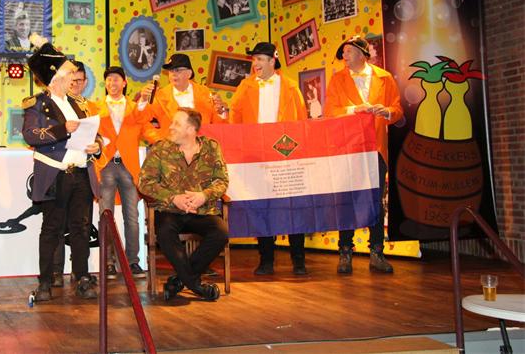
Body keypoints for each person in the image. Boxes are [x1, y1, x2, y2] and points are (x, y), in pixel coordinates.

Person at [22, 35, 102, 302]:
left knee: (81, 229)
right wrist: (61, 129)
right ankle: (45, 282)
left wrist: (97, 146)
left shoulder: (78, 104)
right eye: (68, 74)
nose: (73, 79)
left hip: (80, 173)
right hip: (55, 174)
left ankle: (82, 277)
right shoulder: (37, 103)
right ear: (54, 77)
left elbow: (95, 135)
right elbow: (30, 135)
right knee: (52, 229)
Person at [224, 42, 310, 276]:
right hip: (257, 157)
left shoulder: (290, 87)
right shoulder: (245, 86)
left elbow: (302, 122)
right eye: (254, 59)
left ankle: (299, 260)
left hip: (285, 156)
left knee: (292, 208)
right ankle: (266, 260)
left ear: (273, 61)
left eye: (260, 59)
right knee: (262, 208)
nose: (255, 64)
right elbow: (235, 119)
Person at [324, 35, 403, 274]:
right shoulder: (337, 79)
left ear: (362, 54)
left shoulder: (384, 78)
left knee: (375, 201)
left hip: (376, 148)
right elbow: (330, 112)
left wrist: (387, 112)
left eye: (348, 51)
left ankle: (376, 252)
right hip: (348, 149)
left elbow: (397, 109)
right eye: (344, 53)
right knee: (346, 200)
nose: (344, 56)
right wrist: (354, 109)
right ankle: (345, 252)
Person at [139, 108, 229, 301]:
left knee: (221, 232)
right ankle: (196, 285)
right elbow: (144, 183)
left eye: (176, 124)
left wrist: (204, 195)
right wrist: (173, 198)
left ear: (190, 129)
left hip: (201, 211)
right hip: (170, 210)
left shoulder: (211, 148)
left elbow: (222, 180)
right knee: (165, 232)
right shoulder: (161, 149)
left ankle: (179, 281)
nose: (170, 127)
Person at [96, 66, 154, 279]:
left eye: (116, 79)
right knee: (106, 215)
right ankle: (108, 262)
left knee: (132, 216)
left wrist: (166, 141)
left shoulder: (136, 108)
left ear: (124, 82)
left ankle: (132, 261)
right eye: (109, 80)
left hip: (129, 166)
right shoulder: (95, 108)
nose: (112, 83)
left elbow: (148, 127)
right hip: (106, 165)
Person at [146, 53, 226, 142]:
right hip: (172, 147)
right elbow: (143, 121)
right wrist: (159, 140)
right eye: (171, 71)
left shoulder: (205, 93)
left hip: (201, 146)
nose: (173, 74)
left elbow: (219, 125)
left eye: (177, 70)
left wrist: (221, 111)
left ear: (189, 73)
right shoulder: (159, 96)